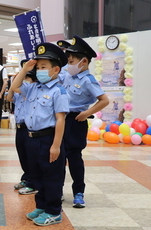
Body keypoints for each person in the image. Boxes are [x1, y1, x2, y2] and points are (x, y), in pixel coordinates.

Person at [10, 42, 69, 226]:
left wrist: (56, 145)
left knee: (52, 177)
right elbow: (15, 86)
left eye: (44, 67)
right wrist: (26, 68)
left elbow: (60, 119)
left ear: (56, 69)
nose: (39, 70)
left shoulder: (59, 91)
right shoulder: (33, 88)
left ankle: (54, 211)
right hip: (31, 139)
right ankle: (41, 206)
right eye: (38, 67)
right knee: (37, 176)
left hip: (48, 138)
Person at [63, 35, 109, 208]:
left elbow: (104, 100)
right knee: (59, 157)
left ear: (83, 61)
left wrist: (87, 113)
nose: (69, 63)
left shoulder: (88, 80)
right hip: (62, 120)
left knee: (74, 158)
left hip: (76, 121)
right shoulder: (68, 76)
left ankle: (78, 193)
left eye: (72, 60)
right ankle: (57, 190)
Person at [7, 59, 38, 195]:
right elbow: (9, 97)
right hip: (19, 128)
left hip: (28, 127)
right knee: (23, 155)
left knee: (31, 156)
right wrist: (15, 81)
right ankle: (26, 178)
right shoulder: (20, 94)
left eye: (26, 78)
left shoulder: (31, 91)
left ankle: (32, 181)